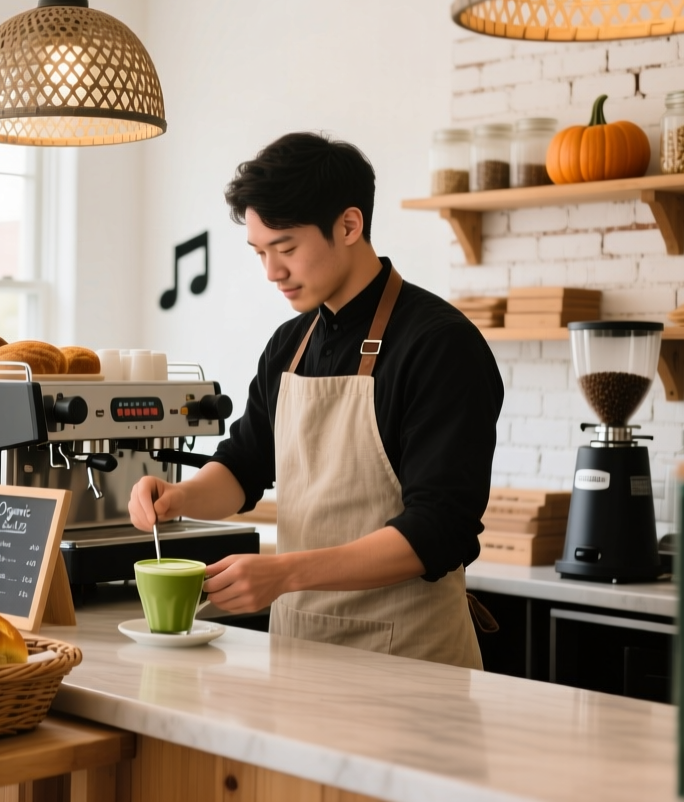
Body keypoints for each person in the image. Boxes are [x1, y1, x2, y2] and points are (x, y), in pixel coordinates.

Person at [130, 132, 503, 668]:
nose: (272, 273)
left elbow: (438, 531)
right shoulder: (290, 345)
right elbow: (243, 466)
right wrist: (178, 499)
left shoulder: (440, 344)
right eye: (260, 253)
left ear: (349, 225)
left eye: (286, 249)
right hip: (299, 652)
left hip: (411, 663)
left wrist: (286, 572)